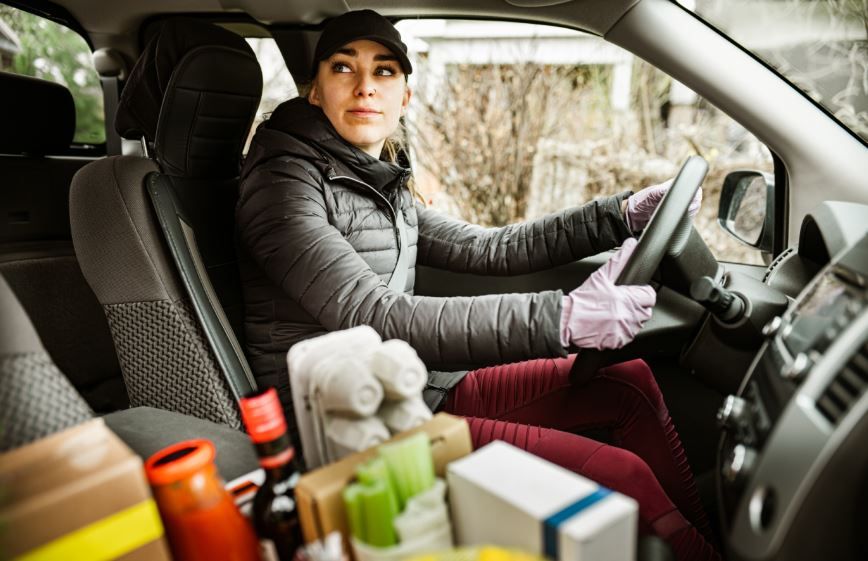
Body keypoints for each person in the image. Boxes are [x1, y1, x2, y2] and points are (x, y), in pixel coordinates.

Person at [236, 9, 717, 561]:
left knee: (631, 383)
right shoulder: (280, 183)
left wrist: (618, 216)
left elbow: (489, 247)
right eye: (344, 68)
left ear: (406, 98)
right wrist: (561, 319)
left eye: (385, 71)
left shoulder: (374, 176)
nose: (366, 86)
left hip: (410, 386)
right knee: (622, 473)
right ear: (315, 91)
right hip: (352, 424)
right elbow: (377, 314)